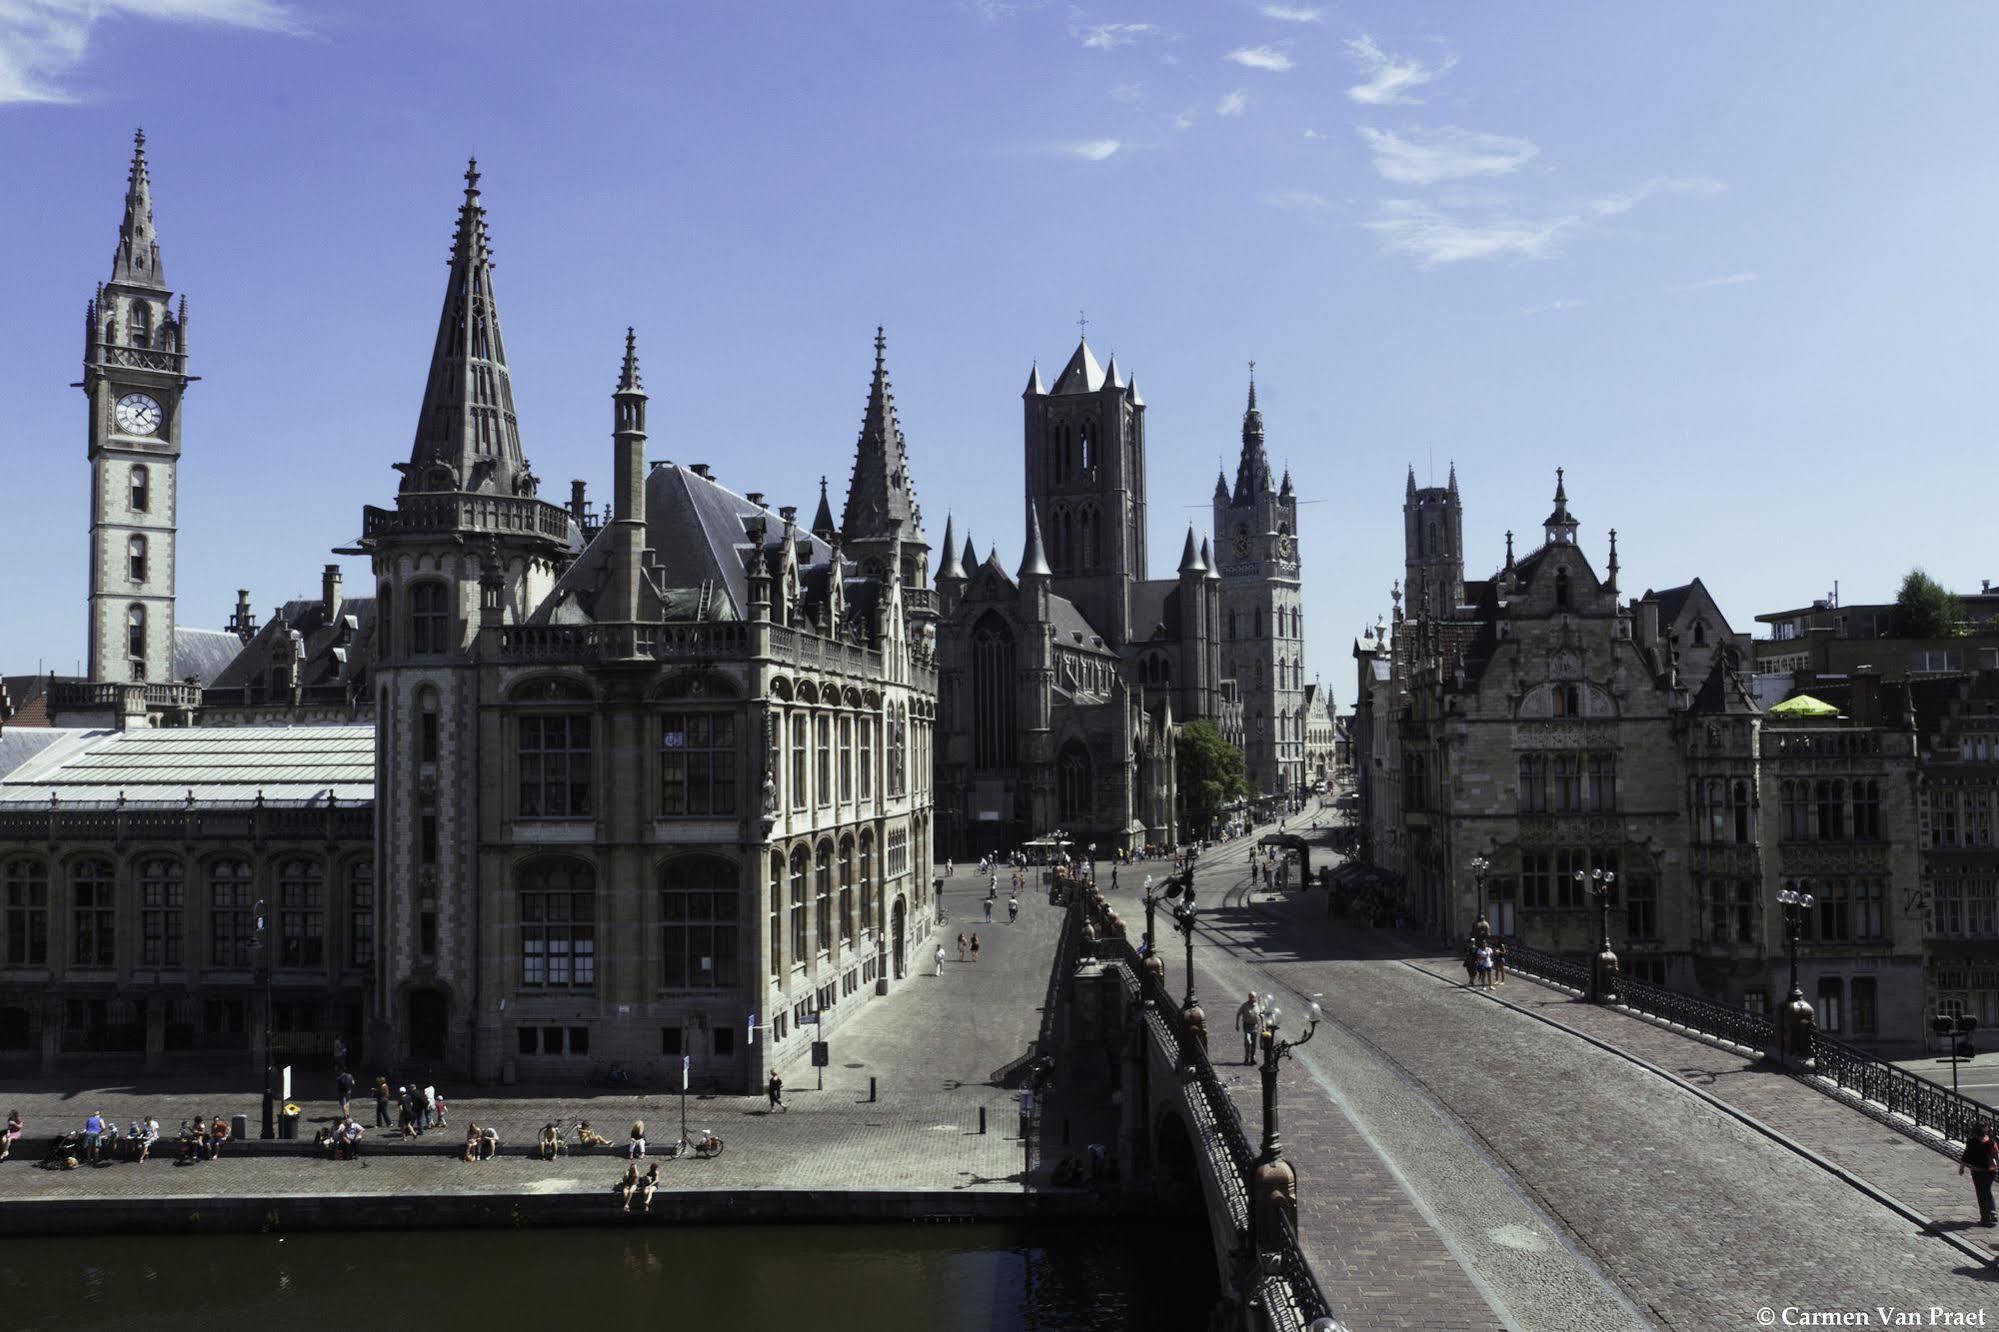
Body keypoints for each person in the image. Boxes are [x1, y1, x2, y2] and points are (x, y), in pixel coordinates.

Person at [1964, 1123, 1999, 1226]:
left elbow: (1966, 1156)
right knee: (1987, 1190)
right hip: (1991, 1170)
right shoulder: (1991, 1141)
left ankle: (1985, 1217)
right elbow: (1996, 1154)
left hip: (1977, 1170)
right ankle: (1992, 1212)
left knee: (1981, 1193)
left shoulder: (1971, 1142)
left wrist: (1962, 1167)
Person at [1237, 993, 1261, 1066]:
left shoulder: (1258, 1006)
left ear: (1255, 998)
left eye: (1253, 997)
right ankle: (1246, 1058)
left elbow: (1262, 1015)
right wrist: (1237, 1024)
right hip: (1247, 1026)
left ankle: (1252, 1059)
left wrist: (1264, 1027)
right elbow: (1238, 1014)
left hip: (1255, 1026)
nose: (1252, 999)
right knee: (1248, 1042)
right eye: (1250, 997)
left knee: (1254, 1043)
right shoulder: (1245, 1005)